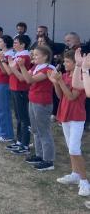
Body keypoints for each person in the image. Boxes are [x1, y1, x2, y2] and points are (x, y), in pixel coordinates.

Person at [49, 50, 90, 196]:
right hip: (64, 113)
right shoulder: (65, 75)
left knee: (74, 148)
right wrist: (56, 83)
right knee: (70, 147)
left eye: (67, 62)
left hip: (77, 116)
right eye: (64, 61)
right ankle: (75, 174)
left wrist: (59, 81)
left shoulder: (80, 78)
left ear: (76, 63)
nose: (64, 64)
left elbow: (72, 96)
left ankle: (85, 181)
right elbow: (61, 96)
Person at [16, 45, 56, 171]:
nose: (34, 57)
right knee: (35, 129)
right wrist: (13, 65)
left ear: (45, 56)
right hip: (33, 100)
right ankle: (39, 155)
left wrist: (22, 66)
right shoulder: (36, 67)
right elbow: (22, 77)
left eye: (37, 55)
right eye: (34, 55)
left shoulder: (48, 69)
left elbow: (30, 80)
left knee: (44, 131)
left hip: (42, 102)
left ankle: (48, 160)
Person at [1, 34, 32, 155]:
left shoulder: (23, 56)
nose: (13, 45)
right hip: (15, 87)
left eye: (16, 42)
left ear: (23, 44)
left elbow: (13, 72)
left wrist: (6, 61)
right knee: (19, 116)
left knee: (23, 117)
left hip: (21, 88)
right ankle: (19, 141)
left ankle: (24, 144)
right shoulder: (18, 55)